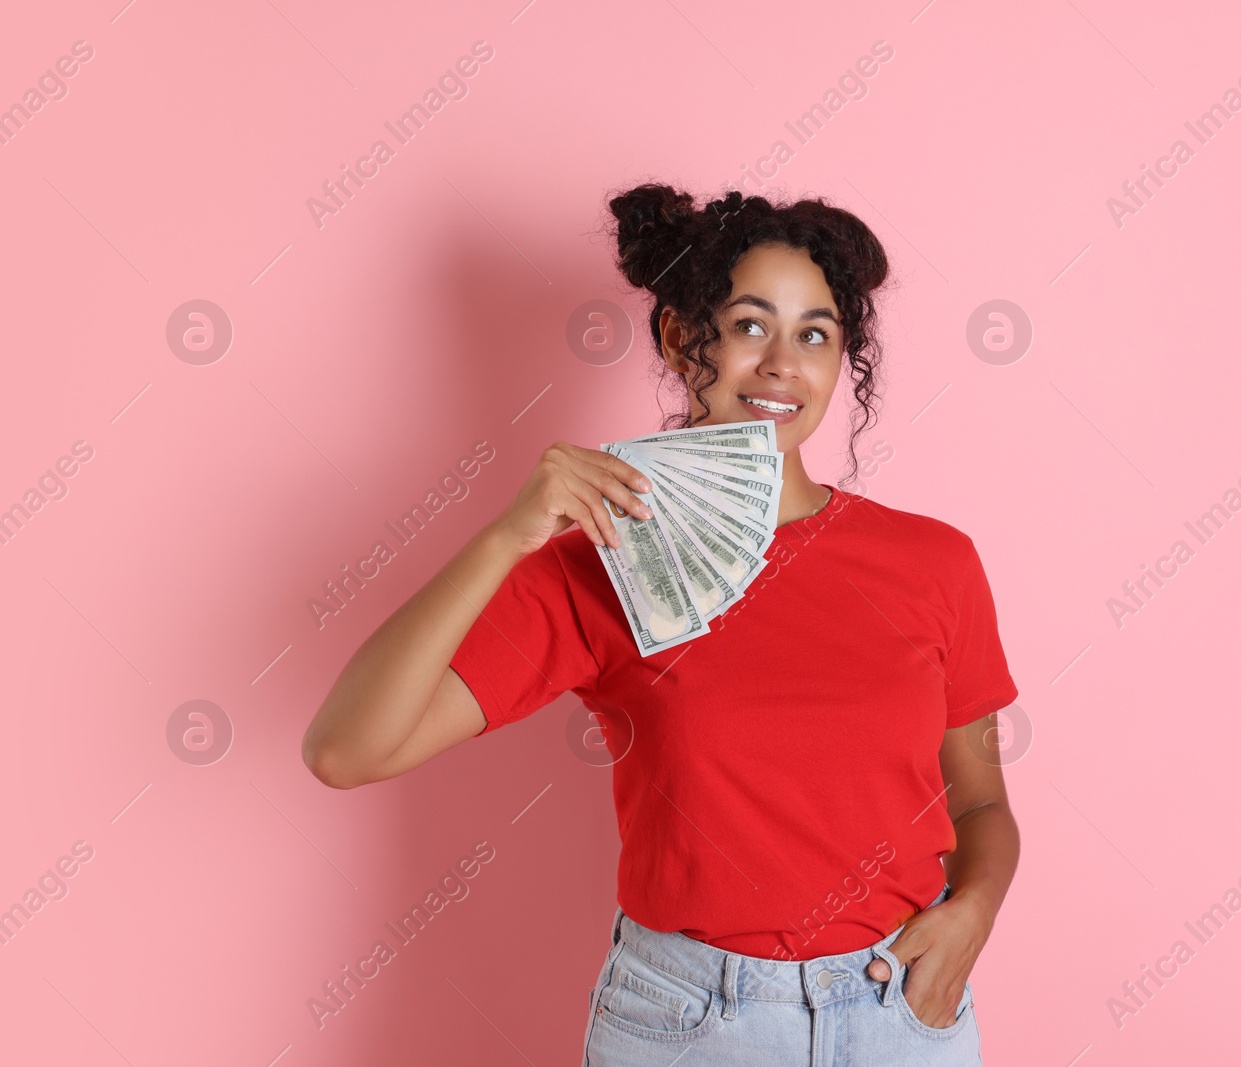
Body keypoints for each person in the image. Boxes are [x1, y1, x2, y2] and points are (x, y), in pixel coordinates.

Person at [301, 183, 1021, 1064]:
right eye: (750, 324)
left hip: (898, 1009)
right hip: (689, 1022)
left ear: (841, 364)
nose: (782, 364)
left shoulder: (933, 563)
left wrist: (973, 916)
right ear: (684, 338)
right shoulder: (601, 562)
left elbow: (981, 799)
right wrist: (506, 536)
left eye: (816, 334)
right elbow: (347, 749)